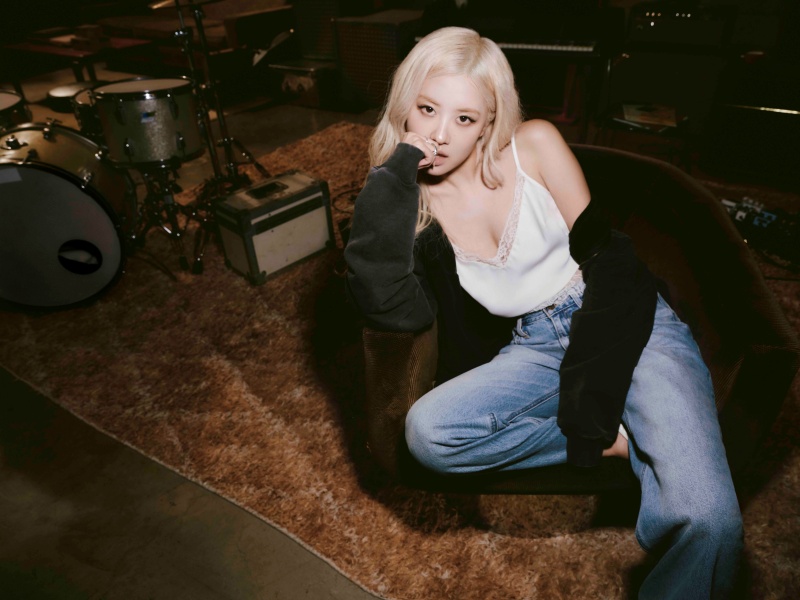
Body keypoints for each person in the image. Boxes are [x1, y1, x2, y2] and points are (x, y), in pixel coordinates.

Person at [344, 27, 743, 598]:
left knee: (710, 520)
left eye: (464, 118)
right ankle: (625, 437)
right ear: (405, 103)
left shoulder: (533, 145)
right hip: (535, 342)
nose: (440, 134)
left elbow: (612, 265)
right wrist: (394, 175)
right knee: (429, 435)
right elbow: (388, 305)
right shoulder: (415, 205)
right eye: (427, 109)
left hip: (624, 314)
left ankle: (614, 424)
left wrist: (589, 404)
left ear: (489, 121)